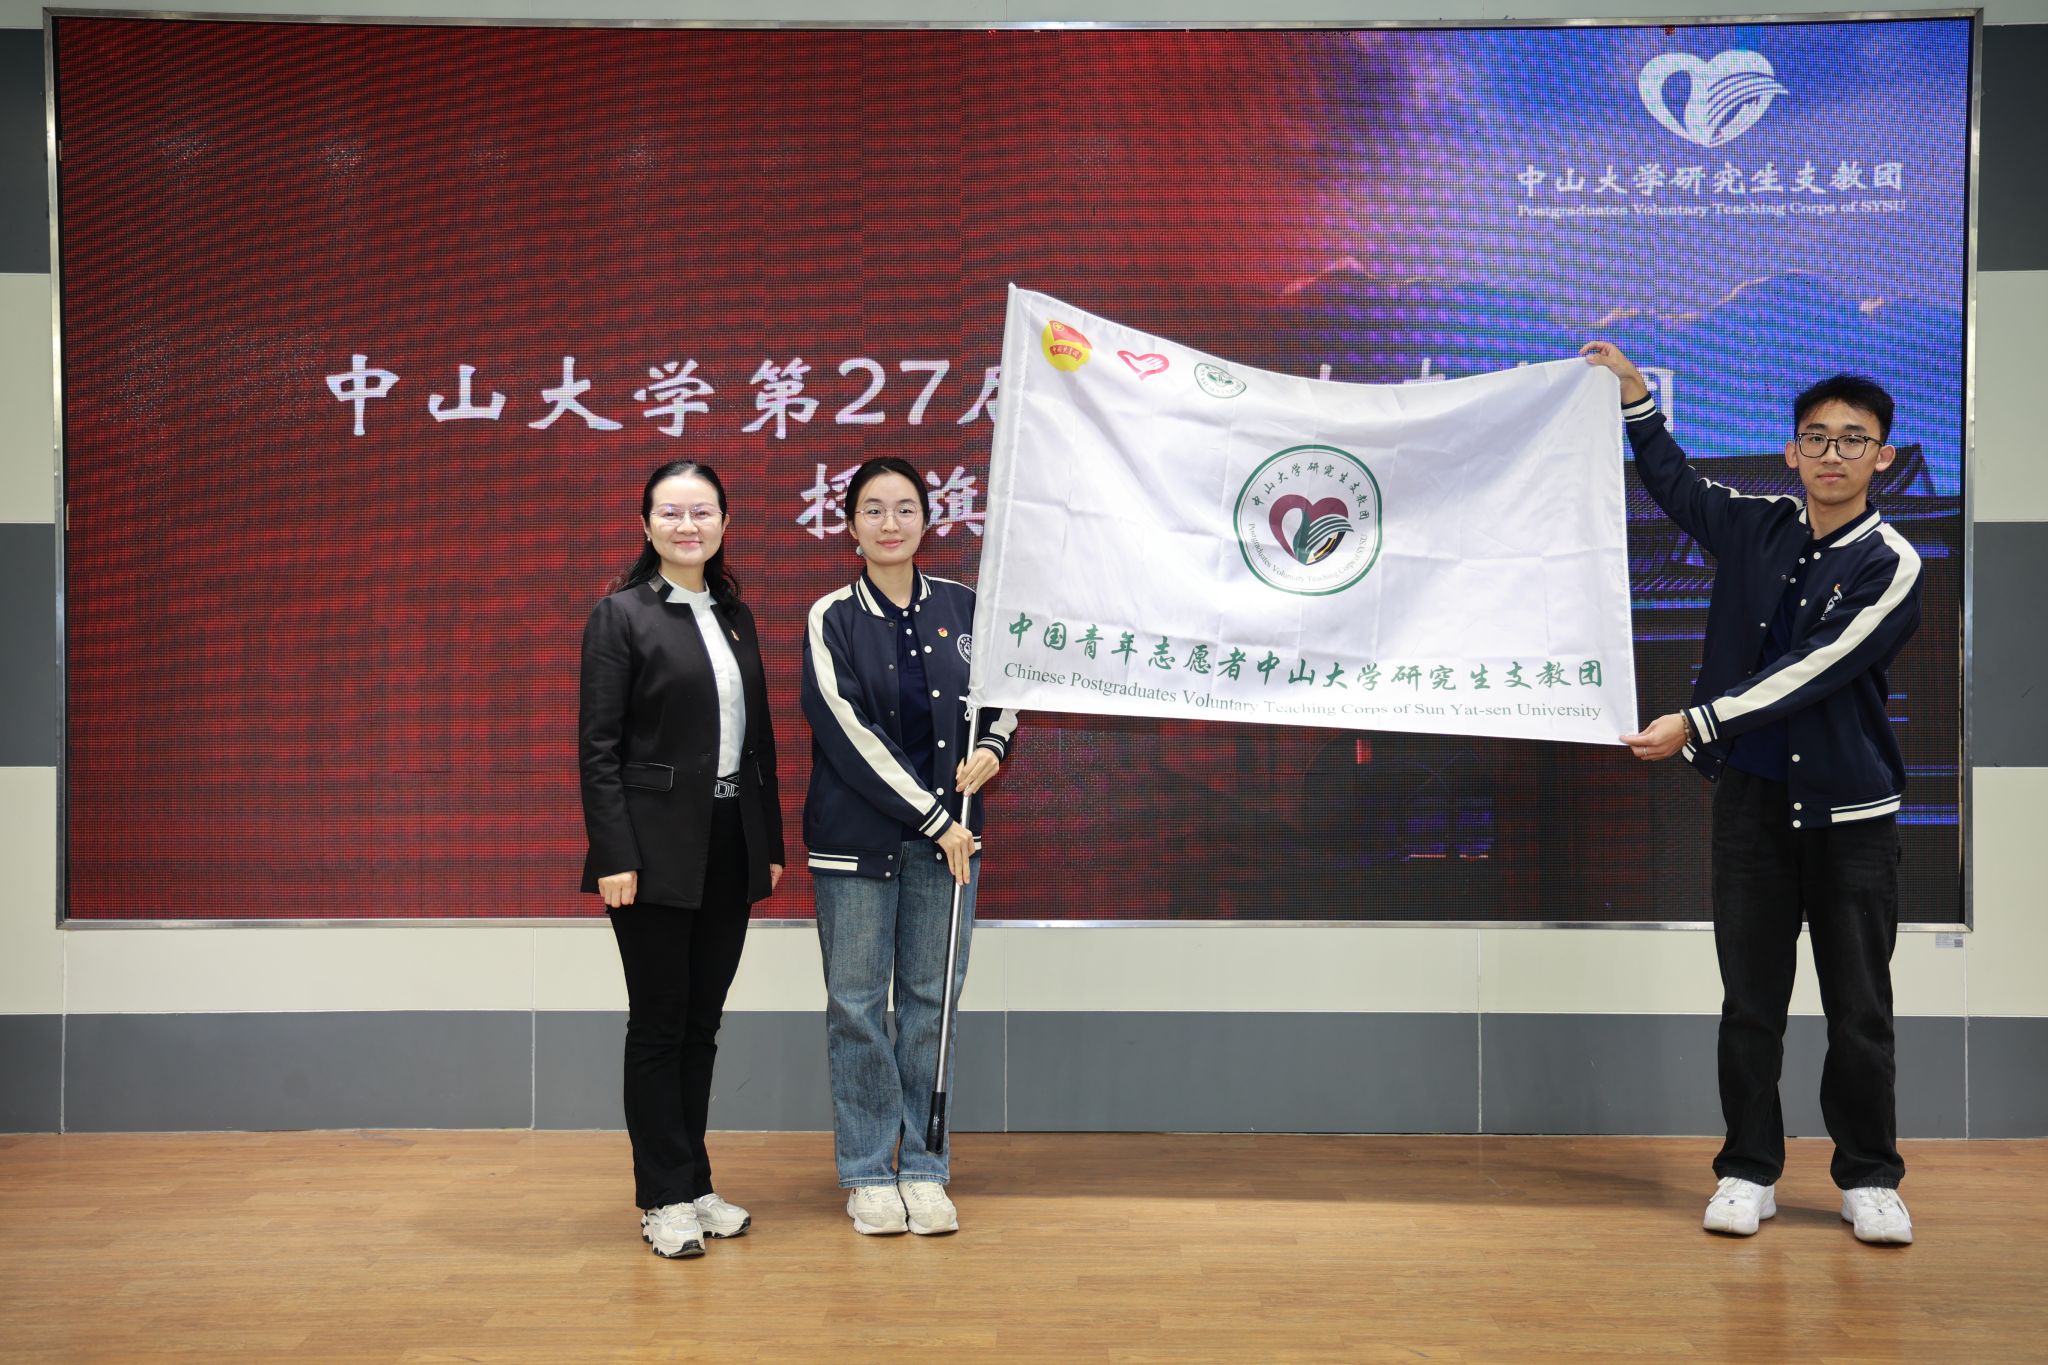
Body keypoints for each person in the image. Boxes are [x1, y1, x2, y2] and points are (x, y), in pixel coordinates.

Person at [1583, 341, 1922, 1246]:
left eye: (1854, 439)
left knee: (1859, 1009)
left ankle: (1870, 1178)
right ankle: (1747, 1169)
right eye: (1817, 437)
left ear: (1883, 457)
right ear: (1791, 451)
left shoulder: (1891, 561)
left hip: (1851, 820)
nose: (1833, 453)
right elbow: (1674, 483)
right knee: (1750, 1004)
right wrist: (1636, 398)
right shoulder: (1755, 523)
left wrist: (1696, 721)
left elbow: (1815, 668)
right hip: (1752, 810)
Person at [800, 456, 1020, 1237]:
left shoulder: (966, 606)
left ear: (929, 519)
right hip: (861, 848)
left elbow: (1006, 688)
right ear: (850, 526)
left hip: (948, 848)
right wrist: (936, 818)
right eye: (873, 509)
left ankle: (924, 1167)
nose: (889, 523)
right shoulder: (832, 617)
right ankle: (868, 1171)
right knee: (857, 1007)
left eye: (904, 508)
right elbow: (847, 733)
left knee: (931, 1005)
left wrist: (992, 745)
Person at [578, 459, 784, 1259]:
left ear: (725, 523)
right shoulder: (621, 615)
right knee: (660, 1024)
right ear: (646, 524)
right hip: (651, 850)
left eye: (702, 512)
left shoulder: (734, 614)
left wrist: (767, 842)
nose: (687, 525)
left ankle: (694, 1182)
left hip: (731, 841)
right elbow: (599, 750)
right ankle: (661, 1196)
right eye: (671, 512)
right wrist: (613, 853)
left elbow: (757, 741)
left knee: (702, 1023)